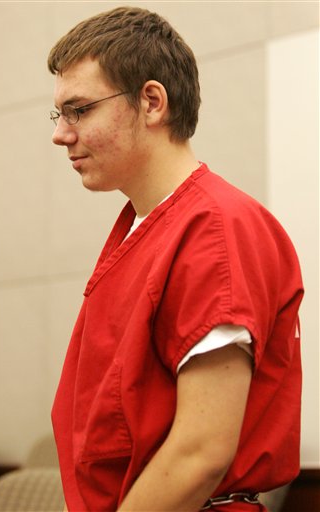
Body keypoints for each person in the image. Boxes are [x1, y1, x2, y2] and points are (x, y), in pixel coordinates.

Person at [48, 6, 304, 512]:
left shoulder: (214, 228)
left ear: (151, 102)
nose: (61, 134)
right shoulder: (143, 228)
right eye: (60, 115)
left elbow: (200, 452)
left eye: (80, 110)